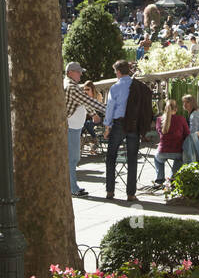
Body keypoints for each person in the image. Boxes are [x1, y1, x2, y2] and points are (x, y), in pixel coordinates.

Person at [104, 59, 152, 201]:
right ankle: (131, 193)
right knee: (132, 159)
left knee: (111, 157)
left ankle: (110, 191)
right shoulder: (138, 86)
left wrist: (107, 127)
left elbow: (110, 108)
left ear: (118, 72)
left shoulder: (115, 87)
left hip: (119, 123)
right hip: (134, 124)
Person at [64, 61, 104, 197]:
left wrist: (93, 114)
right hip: (71, 128)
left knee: (73, 158)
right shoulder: (71, 87)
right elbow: (89, 101)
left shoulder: (73, 85)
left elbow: (84, 102)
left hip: (74, 128)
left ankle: (72, 187)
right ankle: (73, 188)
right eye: (78, 72)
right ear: (70, 73)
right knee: (72, 158)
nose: (81, 74)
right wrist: (109, 110)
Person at [152, 97, 189, 189]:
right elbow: (187, 134)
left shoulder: (159, 120)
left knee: (157, 158)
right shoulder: (181, 119)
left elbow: (159, 133)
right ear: (176, 109)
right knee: (180, 159)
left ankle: (159, 179)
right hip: (177, 151)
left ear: (165, 109)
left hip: (162, 151)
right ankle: (173, 179)